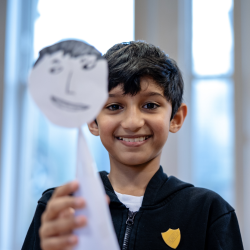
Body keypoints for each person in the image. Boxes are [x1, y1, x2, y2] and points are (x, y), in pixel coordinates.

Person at [22, 41, 244, 250]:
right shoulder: (61, 208)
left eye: (150, 105)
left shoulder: (208, 212)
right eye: (114, 106)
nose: (132, 123)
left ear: (175, 118)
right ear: (92, 120)